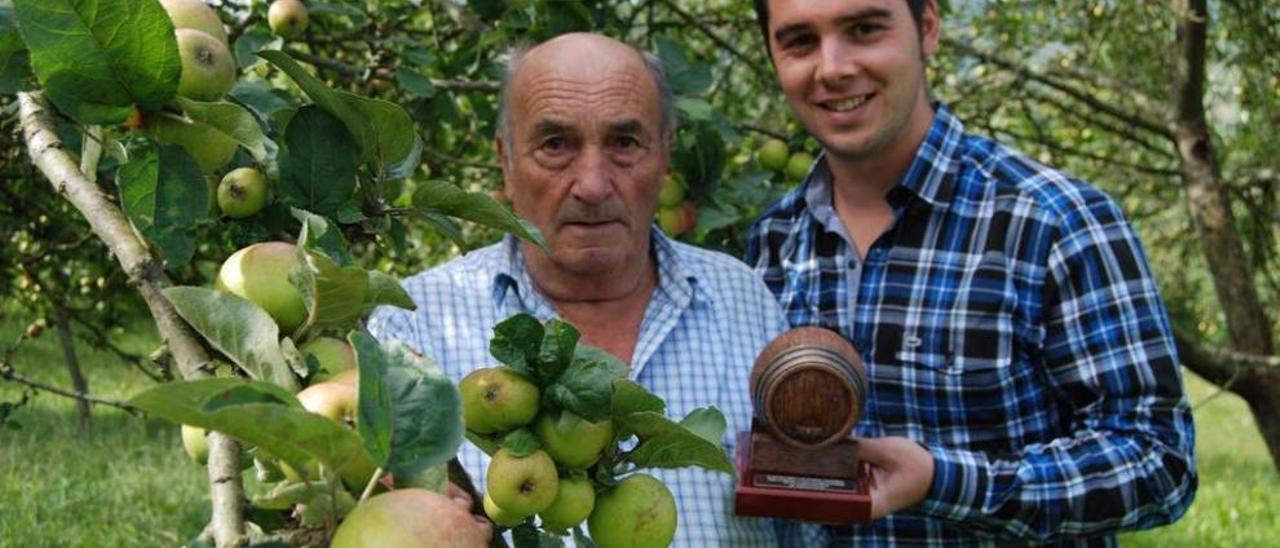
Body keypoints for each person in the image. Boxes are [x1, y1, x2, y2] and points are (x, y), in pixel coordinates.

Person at [744, 0, 1197, 545]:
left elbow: (1158, 461)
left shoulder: (1056, 222)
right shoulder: (773, 239)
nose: (834, 67)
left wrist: (946, 482)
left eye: (864, 29)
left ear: (927, 27)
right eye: (800, 41)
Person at [369, 32, 823, 546]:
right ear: (506, 161)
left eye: (624, 143)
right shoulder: (411, 327)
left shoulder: (744, 300)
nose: (592, 184)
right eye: (556, 144)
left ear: (666, 154)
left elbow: (805, 521)